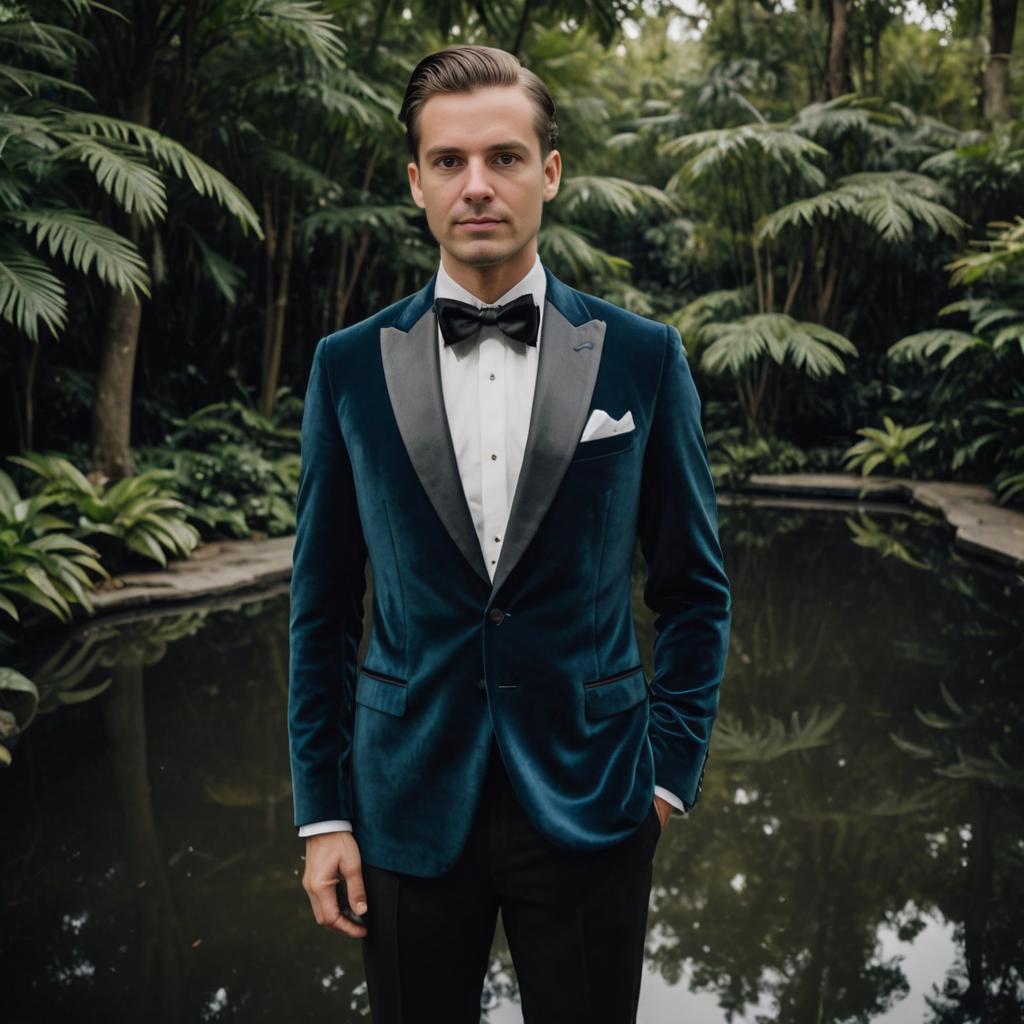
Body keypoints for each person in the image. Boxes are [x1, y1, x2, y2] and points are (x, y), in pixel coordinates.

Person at [287, 44, 731, 1024]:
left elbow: (694, 591)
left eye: (504, 157)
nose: (476, 184)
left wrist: (664, 780)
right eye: (448, 161)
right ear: (415, 181)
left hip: (594, 801)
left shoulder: (644, 360)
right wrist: (322, 812)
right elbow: (321, 609)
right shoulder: (346, 366)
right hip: (401, 805)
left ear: (552, 171)